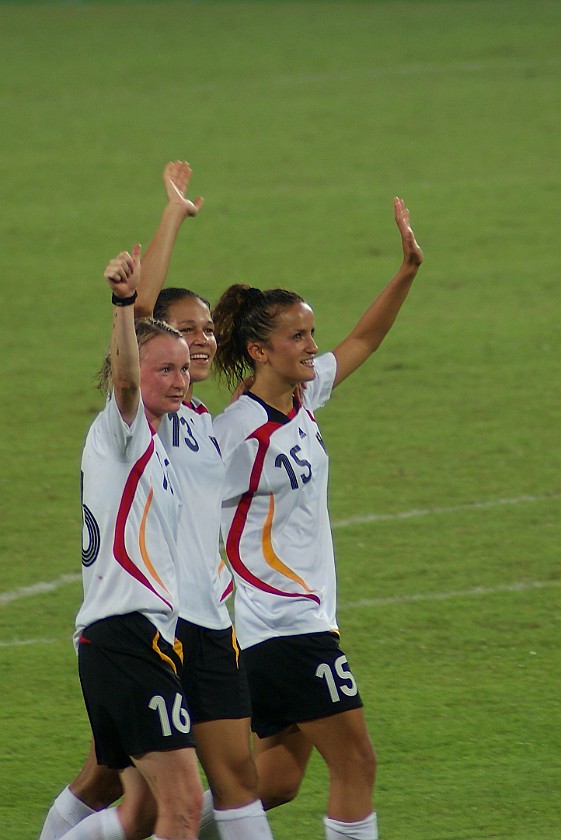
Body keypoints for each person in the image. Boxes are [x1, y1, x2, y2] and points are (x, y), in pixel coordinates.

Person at [39, 163, 274, 840]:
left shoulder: (200, 421)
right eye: (181, 337)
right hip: (139, 627)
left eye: (205, 333)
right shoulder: (138, 423)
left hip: (186, 624)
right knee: (148, 794)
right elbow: (135, 337)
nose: (196, 345)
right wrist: (166, 225)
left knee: (152, 799)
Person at [210, 197, 423, 840]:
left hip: (291, 619)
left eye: (310, 332)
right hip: (282, 620)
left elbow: (362, 339)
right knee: (357, 762)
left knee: (274, 783)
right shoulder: (237, 435)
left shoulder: (301, 394)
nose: (312, 345)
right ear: (259, 350)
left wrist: (407, 270)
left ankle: (156, 828)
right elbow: (181, 506)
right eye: (297, 336)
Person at [73, 244, 202, 840]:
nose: (179, 381)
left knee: (144, 811)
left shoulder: (152, 443)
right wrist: (124, 303)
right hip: (126, 638)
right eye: (165, 370)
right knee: (181, 806)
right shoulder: (120, 431)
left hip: (133, 639)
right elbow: (126, 376)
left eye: (183, 368)